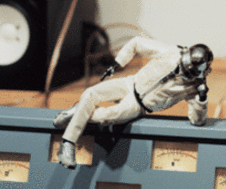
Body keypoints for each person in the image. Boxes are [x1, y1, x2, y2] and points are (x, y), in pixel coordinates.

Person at [53, 36, 213, 169]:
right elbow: (137, 42)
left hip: (137, 105)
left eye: (189, 72)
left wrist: (201, 98)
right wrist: (119, 62)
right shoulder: (171, 52)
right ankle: (68, 143)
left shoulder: (194, 87)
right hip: (130, 82)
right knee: (90, 93)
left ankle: (78, 111)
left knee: (107, 115)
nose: (183, 72)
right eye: (183, 66)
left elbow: (197, 121)